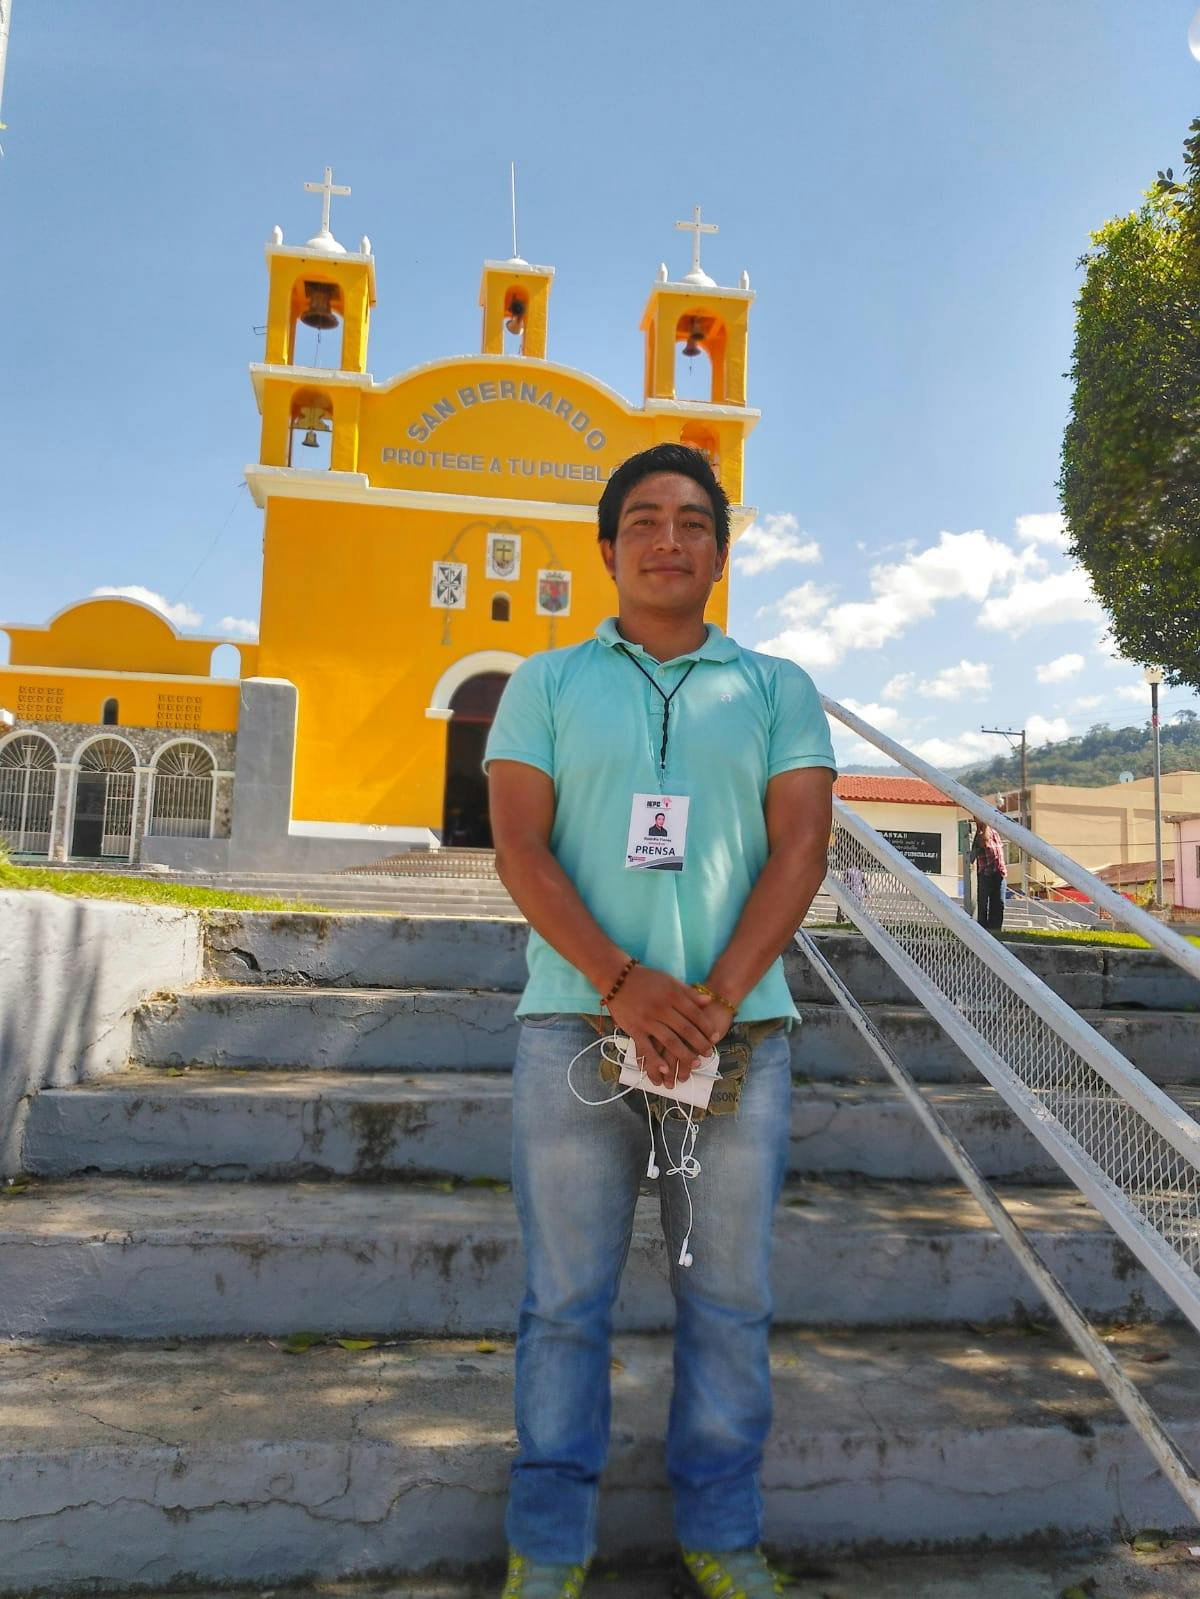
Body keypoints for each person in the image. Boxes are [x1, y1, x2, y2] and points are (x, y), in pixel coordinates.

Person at [485, 442, 837, 1599]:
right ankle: (547, 1547)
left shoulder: (777, 685)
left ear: (722, 553)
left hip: (743, 1038)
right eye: (644, 519)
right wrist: (621, 983)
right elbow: (521, 847)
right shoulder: (542, 681)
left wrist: (717, 1000)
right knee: (565, 1301)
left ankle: (726, 1538)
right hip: (574, 1032)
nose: (669, 538)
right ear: (607, 547)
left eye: (693, 521)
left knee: (730, 1298)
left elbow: (801, 848)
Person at [971, 821, 1007, 931]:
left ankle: (996, 930)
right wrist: (984, 824)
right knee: (983, 906)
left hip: (999, 872)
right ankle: (983, 931)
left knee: (999, 904)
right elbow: (984, 843)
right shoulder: (981, 833)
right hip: (986, 874)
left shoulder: (994, 832)